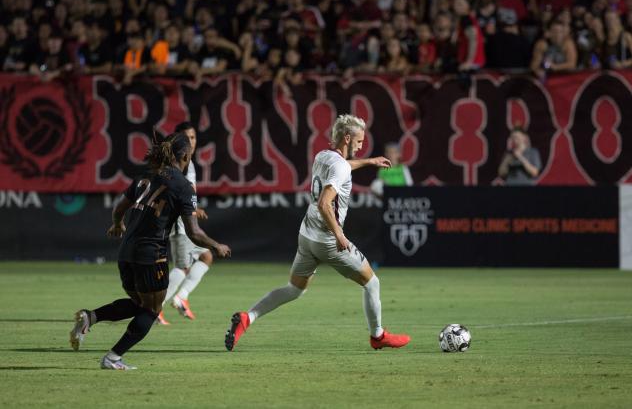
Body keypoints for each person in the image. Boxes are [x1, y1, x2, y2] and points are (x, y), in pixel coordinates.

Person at [225, 114, 411, 351]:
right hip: (327, 240)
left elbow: (342, 167)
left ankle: (247, 318)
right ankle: (378, 335)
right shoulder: (340, 167)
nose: (361, 146)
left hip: (307, 235)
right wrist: (339, 235)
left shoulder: (322, 156)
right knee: (372, 283)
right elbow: (325, 203)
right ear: (346, 138)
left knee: (294, 289)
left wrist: (368, 161)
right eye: (359, 142)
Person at [69, 132, 231, 370]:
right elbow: (194, 232)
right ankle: (113, 357)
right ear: (185, 156)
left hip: (125, 252)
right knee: (152, 310)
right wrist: (216, 245)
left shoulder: (146, 175)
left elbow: (120, 208)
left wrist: (117, 224)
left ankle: (90, 318)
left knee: (138, 304)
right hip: (150, 254)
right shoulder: (184, 186)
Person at [157, 122, 213, 325]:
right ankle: (157, 307)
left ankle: (182, 297)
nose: (191, 141)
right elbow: (176, 189)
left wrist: (193, 207)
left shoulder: (188, 162)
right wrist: (191, 208)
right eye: (187, 137)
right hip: (180, 221)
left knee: (206, 256)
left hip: (187, 217)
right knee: (183, 267)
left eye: (194, 137)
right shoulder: (180, 163)